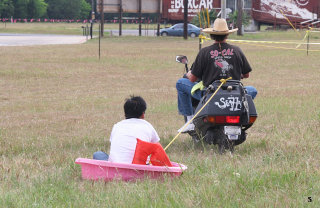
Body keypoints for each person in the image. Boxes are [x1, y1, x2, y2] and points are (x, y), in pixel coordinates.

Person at [176, 18, 257, 133]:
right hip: (234, 93)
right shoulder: (237, 50)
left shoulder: (204, 52)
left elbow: (193, 78)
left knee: (180, 83)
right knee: (252, 90)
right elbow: (246, 74)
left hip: (209, 95)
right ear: (227, 35)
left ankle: (190, 120)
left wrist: (189, 74)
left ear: (212, 35)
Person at [93, 96, 160, 163]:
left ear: (125, 114)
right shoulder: (147, 126)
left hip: (116, 167)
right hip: (140, 167)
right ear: (143, 114)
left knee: (98, 154)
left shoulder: (117, 126)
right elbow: (158, 150)